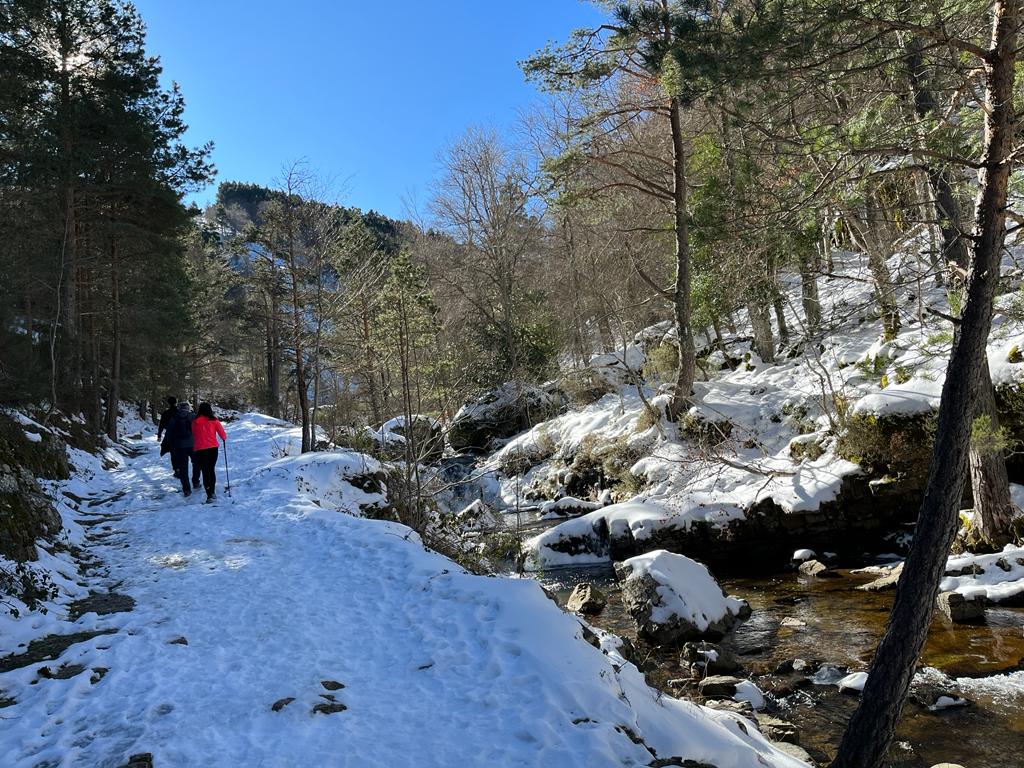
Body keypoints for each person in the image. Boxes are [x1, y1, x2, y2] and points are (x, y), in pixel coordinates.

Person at [191, 403, 226, 503]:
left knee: (205, 471)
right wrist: (223, 438)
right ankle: (213, 492)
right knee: (211, 469)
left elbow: (194, 434)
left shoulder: (195, 422)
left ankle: (209, 494)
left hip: (200, 449)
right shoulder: (214, 421)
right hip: (212, 448)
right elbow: (223, 434)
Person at [165, 401, 196, 496]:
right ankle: (196, 481)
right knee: (197, 463)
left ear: (179, 408)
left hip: (179, 446)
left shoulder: (174, 418)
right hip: (193, 445)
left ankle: (186, 489)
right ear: (188, 408)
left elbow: (168, 433)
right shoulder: (193, 416)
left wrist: (170, 445)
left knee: (183, 469)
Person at [157, 397, 180, 477]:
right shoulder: (179, 412)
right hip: (180, 434)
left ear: (168, 403)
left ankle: (177, 469)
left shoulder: (166, 413)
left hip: (170, 435)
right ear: (176, 402)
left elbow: (161, 424)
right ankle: (181, 468)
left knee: (173, 453)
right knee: (180, 452)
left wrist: (159, 435)